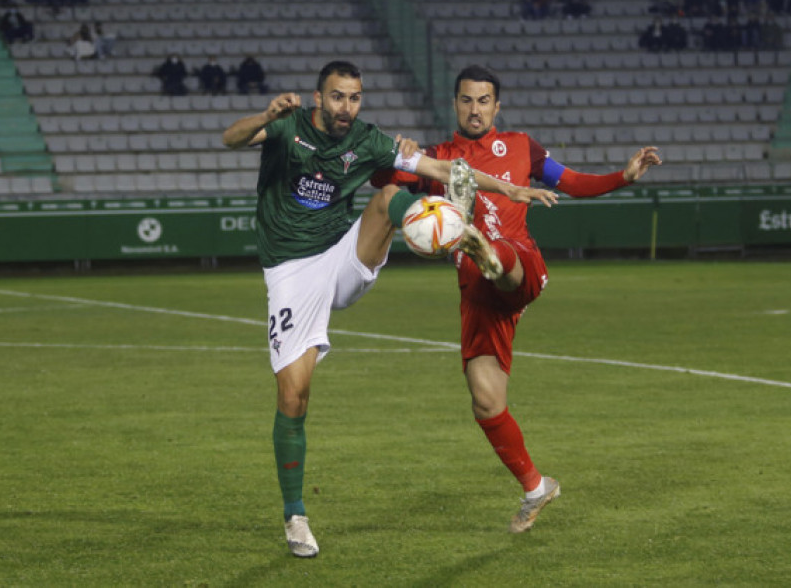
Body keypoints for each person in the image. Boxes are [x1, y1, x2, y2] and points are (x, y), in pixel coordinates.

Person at [221, 60, 555, 559]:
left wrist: (507, 188)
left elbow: (443, 169)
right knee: (294, 395)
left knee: (390, 194)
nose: (346, 107)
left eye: (354, 98)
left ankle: (439, 229)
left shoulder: (366, 138)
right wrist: (263, 116)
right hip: (291, 273)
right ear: (318, 98)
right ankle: (295, 515)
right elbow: (231, 138)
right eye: (337, 97)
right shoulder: (287, 126)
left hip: (341, 255)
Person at [372, 65, 661, 534]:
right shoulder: (437, 159)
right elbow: (379, 180)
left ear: (497, 106)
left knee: (500, 257)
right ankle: (535, 487)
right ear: (455, 104)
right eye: (466, 100)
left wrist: (623, 176)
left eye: (484, 101)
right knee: (486, 402)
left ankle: (483, 249)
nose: (475, 109)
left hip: (520, 264)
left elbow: (570, 181)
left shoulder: (521, 148)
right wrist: (400, 155)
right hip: (478, 297)